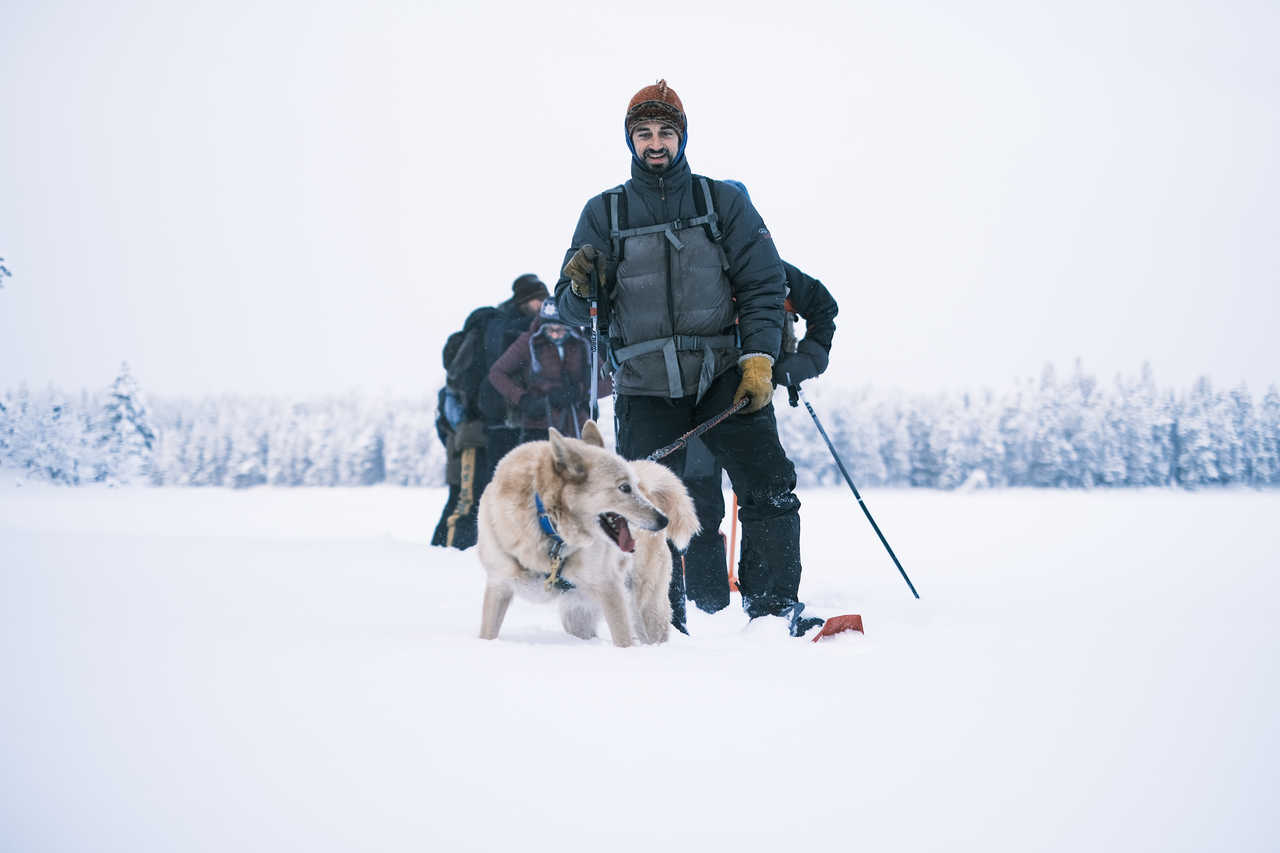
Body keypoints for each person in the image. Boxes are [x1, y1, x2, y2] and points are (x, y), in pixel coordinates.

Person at [554, 79, 822, 637]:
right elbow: (574, 310)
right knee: (645, 506)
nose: (656, 143)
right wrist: (579, 289)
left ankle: (772, 612)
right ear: (630, 141)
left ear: (682, 136)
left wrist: (760, 359)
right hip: (645, 382)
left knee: (768, 482)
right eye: (644, 132)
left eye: (666, 132)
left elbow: (763, 285)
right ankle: (660, 623)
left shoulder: (721, 202)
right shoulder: (604, 212)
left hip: (724, 372)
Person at [681, 253, 839, 613]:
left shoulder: (768, 265)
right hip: (692, 394)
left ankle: (767, 609)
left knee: (764, 491)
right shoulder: (685, 262)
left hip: (750, 393)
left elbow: (823, 307)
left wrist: (801, 363)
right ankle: (706, 606)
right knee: (698, 502)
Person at [431, 273, 548, 549]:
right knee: (467, 499)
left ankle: (454, 552)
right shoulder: (500, 329)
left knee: (476, 498)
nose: (542, 306)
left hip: (486, 427)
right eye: (537, 301)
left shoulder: (502, 327)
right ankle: (444, 556)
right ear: (523, 301)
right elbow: (490, 380)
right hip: (474, 428)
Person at [487, 298, 606, 443]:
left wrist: (581, 392)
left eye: (560, 330)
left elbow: (609, 382)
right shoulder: (528, 342)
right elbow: (497, 373)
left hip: (578, 424)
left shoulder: (583, 344)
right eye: (549, 330)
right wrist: (524, 399)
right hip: (538, 425)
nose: (555, 334)